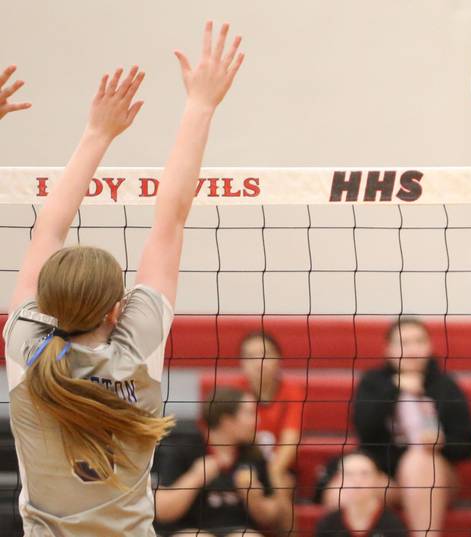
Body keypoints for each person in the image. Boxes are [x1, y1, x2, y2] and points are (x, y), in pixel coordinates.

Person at [2, 21, 244, 535]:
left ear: (44, 301)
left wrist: (95, 134)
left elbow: (48, 228)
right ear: (118, 310)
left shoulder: (26, 345)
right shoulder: (136, 351)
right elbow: (170, 219)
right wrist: (200, 105)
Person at [352, 317, 471, 536]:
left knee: (420, 459)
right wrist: (394, 389)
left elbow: (467, 443)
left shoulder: (445, 385)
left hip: (436, 477)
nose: (411, 350)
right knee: (341, 491)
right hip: (386, 477)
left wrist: (442, 443)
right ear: (389, 349)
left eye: (418, 341)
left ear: (429, 346)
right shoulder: (373, 382)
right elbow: (364, 429)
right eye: (404, 343)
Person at [154, 387, 290, 537]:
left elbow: (273, 516)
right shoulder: (183, 449)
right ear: (227, 421)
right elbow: (162, 511)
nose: (257, 420)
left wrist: (254, 497)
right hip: (189, 530)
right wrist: (196, 477)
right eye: (250, 414)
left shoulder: (253, 455)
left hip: (238, 531)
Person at [239, 331, 303, 499]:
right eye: (250, 357)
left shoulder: (292, 391)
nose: (259, 363)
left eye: (265, 355)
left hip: (278, 467)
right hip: (243, 466)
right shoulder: (233, 392)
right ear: (242, 363)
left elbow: (290, 442)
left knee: (282, 483)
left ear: (279, 360)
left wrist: (271, 475)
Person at [314, 452, 408, 537]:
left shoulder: (393, 525)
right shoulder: (329, 524)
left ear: (377, 479)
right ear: (338, 480)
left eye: (364, 474)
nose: (357, 481)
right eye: (349, 474)